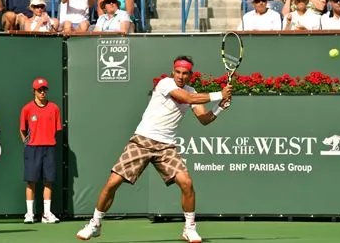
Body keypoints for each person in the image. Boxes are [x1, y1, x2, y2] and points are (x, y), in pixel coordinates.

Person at [76, 56, 233, 242]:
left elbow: (204, 119)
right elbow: (186, 98)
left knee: (186, 183)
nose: (181, 76)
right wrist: (219, 95)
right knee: (112, 183)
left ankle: (189, 228)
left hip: (166, 147)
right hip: (142, 140)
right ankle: (95, 224)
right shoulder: (165, 84)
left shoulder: (193, 91)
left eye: (185, 73)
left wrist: (219, 107)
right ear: (173, 71)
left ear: (190, 75)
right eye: (178, 72)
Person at [20, 78, 62, 224]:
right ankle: (30, 214)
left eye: (44, 89)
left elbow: (56, 130)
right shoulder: (27, 109)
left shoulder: (54, 108)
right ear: (34, 91)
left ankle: (46, 214)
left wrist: (47, 139)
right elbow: (22, 129)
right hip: (32, 149)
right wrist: (28, 143)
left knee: (48, 181)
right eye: (39, 90)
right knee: (31, 181)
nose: (42, 92)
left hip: (49, 147)